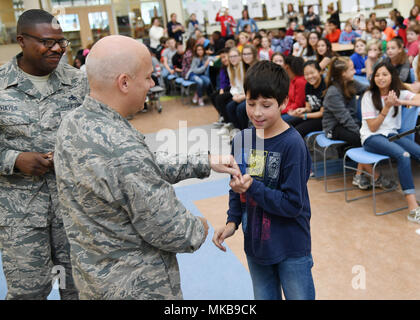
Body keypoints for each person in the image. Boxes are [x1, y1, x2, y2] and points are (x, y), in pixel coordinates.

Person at [54, 35, 241, 299]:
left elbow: (136, 170)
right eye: (149, 77)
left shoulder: (73, 123)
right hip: (136, 286)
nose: (153, 84)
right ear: (124, 82)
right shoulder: (120, 146)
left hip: (94, 280)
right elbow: (173, 229)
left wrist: (203, 161)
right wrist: (198, 226)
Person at [0, 9, 89, 300]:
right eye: (46, 42)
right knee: (28, 294)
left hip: (73, 212)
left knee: (78, 291)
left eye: (61, 42)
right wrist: (15, 159)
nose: (56, 49)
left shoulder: (79, 83)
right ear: (21, 41)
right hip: (21, 219)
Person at [213, 60, 315, 300]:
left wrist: (253, 187)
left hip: (291, 246)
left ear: (283, 103)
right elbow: (236, 186)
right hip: (256, 244)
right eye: (251, 103)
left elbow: (292, 204)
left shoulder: (293, 145)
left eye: (266, 105)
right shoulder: (242, 140)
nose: (257, 112)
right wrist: (232, 222)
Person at [360, 61, 420, 223]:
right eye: (377, 75)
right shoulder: (368, 96)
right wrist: (386, 108)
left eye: (384, 74)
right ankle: (413, 209)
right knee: (404, 155)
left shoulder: (398, 93)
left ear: (392, 76)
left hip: (392, 135)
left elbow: (418, 99)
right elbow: (372, 128)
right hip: (372, 138)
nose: (380, 78)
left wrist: (401, 102)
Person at [322, 57, 394, 190]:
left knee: (365, 137)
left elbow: (368, 89)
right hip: (333, 128)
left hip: (349, 123)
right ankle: (376, 177)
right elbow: (345, 119)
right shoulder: (333, 92)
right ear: (343, 73)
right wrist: (362, 133)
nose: (354, 71)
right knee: (362, 139)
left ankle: (358, 175)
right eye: (351, 69)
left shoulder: (350, 83)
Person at [287, 61, 325, 137]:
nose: (310, 76)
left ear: (320, 72)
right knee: (286, 125)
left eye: (312, 73)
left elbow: (322, 113)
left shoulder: (326, 86)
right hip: (311, 115)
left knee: (297, 131)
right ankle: (265, 147)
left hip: (323, 120)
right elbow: (309, 108)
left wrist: (304, 116)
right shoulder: (308, 85)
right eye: (306, 74)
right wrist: (302, 110)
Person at [282, 55, 307, 122]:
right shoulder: (291, 80)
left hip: (299, 111)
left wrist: (282, 111)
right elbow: (289, 100)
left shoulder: (300, 81)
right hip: (290, 109)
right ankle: (251, 132)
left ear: (287, 67)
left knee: (272, 121)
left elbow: (298, 104)